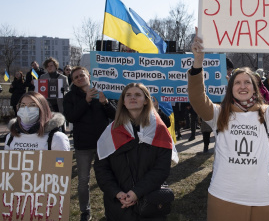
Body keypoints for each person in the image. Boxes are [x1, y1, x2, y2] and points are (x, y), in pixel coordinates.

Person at [188, 28, 269, 221]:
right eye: (238, 82)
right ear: (231, 88)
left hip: (260, 197)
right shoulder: (219, 114)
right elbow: (196, 98)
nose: (243, 86)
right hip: (223, 195)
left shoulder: (266, 114)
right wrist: (198, 61)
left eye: (248, 82)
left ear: (255, 88)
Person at [94, 83, 174, 221]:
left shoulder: (159, 130)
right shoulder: (110, 133)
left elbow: (161, 169)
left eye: (137, 94)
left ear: (146, 101)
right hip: (118, 206)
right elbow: (101, 168)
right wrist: (117, 193)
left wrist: (137, 192)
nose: (133, 97)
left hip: (149, 204)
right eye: (128, 95)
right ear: (123, 102)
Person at [63, 66, 117, 221]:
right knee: (83, 181)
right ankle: (85, 211)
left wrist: (106, 103)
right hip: (83, 145)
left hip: (104, 143)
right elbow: (72, 117)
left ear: (89, 75)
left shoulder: (102, 90)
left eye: (82, 75)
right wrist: (86, 101)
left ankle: (111, 210)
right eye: (76, 77)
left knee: (109, 179)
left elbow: (115, 115)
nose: (80, 78)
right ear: (73, 81)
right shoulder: (70, 97)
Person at [5, 92, 69, 151]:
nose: (26, 109)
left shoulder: (57, 138)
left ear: (42, 108)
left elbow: (62, 162)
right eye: (23, 105)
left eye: (32, 105)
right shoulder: (11, 136)